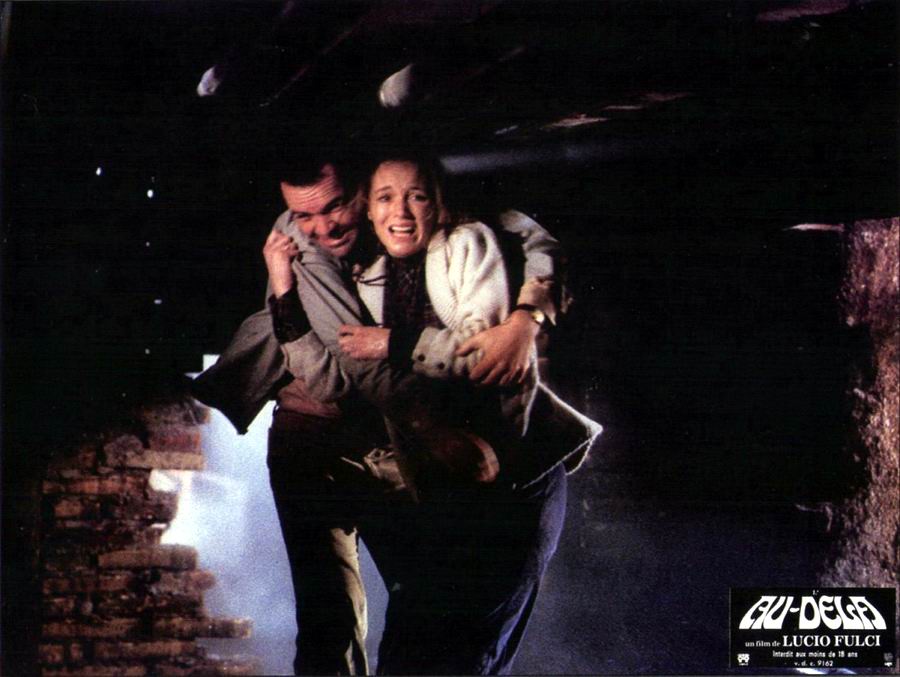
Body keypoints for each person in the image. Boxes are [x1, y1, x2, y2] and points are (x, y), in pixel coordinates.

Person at [192, 154, 576, 675]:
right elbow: (346, 364)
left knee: (432, 617)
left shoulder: (441, 232)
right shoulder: (304, 245)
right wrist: (429, 426)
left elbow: (533, 242)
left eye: (335, 207)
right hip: (320, 432)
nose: (323, 228)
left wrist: (527, 318)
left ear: (361, 191)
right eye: (305, 215)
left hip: (412, 443)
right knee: (335, 622)